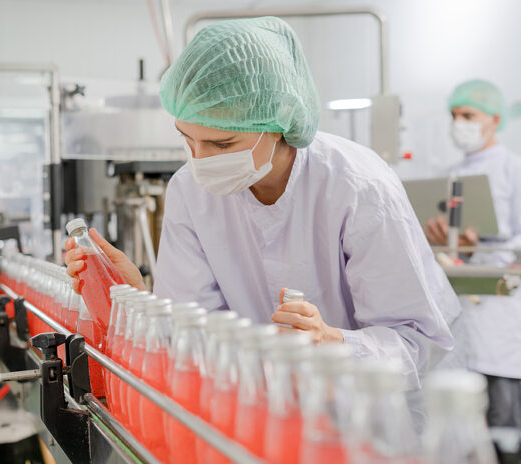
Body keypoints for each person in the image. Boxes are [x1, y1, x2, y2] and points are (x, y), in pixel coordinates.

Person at [66, 17, 458, 393]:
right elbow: (192, 339)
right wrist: (135, 299)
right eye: (187, 139)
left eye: (222, 144)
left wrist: (333, 344)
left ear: (277, 121)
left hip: (372, 412)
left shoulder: (358, 187)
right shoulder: (189, 190)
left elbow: (418, 344)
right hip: (261, 409)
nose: (200, 160)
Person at [425, 79, 521, 427]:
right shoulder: (447, 177)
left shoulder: (513, 168)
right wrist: (441, 242)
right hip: (458, 307)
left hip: (502, 310)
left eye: (468, 115)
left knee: (501, 414)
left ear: (495, 119)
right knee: (460, 417)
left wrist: (478, 249)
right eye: (454, 115)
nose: (459, 123)